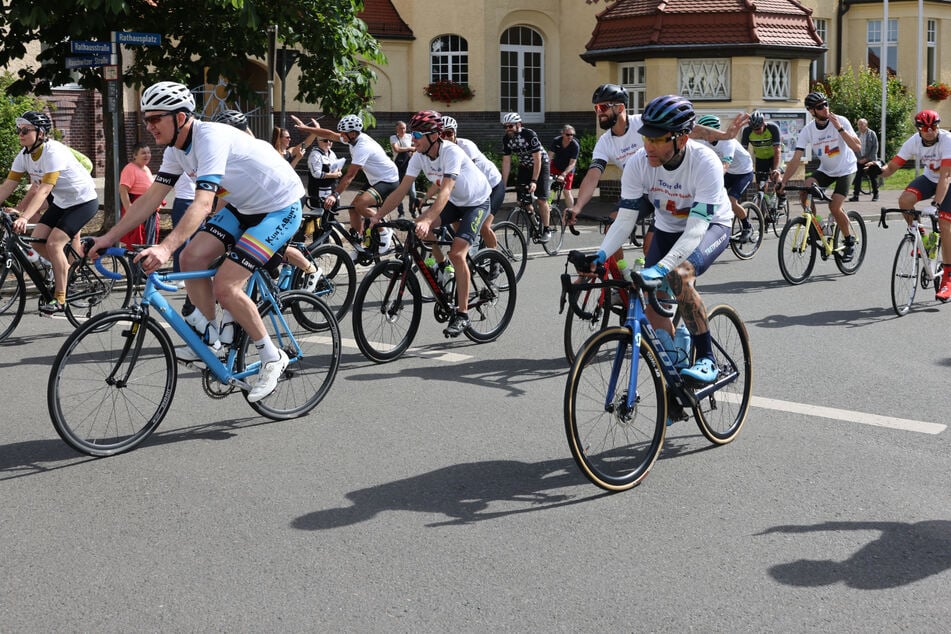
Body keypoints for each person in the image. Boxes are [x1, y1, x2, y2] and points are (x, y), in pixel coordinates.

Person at [87, 81, 305, 403]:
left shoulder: (210, 138)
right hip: (243, 207)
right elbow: (150, 200)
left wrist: (164, 247)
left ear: (180, 117)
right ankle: (215, 338)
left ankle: (272, 356)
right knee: (190, 259)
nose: (149, 127)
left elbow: (202, 204)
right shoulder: (176, 150)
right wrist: (107, 238)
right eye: (147, 119)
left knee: (226, 286)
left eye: (155, 119)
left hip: (280, 207)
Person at [593, 94, 733, 384]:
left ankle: (707, 358)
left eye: (657, 140)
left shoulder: (705, 162)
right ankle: (676, 371)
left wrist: (663, 268)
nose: (648, 147)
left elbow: (695, 230)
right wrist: (600, 256)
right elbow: (625, 221)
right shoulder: (638, 163)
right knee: (654, 303)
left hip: (711, 227)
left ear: (681, 139)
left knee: (679, 278)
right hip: (669, 228)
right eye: (646, 138)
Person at [370, 110, 492, 337]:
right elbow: (401, 191)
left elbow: (445, 190)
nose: (412, 138)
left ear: (434, 136)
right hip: (455, 201)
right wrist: (378, 216)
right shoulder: (418, 156)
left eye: (417, 133)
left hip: (476, 202)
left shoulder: (451, 152)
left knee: (458, 253)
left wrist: (427, 219)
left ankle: (463, 314)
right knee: (418, 231)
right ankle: (444, 269)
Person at [0, 110, 99, 315]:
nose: (20, 133)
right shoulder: (24, 155)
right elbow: (8, 185)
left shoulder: (54, 152)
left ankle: (60, 299)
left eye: (25, 130)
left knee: (54, 243)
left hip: (83, 201)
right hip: (63, 202)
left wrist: (24, 216)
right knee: (37, 241)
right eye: (19, 129)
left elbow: (44, 189)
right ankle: (63, 267)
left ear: (41, 133)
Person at [867, 109, 951, 300]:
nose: (930, 131)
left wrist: (936, 204)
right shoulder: (913, 141)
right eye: (925, 127)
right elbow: (893, 167)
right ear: (918, 128)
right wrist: (878, 171)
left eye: (934, 126)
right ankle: (922, 237)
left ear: (938, 126)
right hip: (930, 178)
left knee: (945, 225)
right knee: (905, 200)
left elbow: (946, 176)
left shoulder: (947, 140)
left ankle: (948, 278)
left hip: (949, 181)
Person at [295, 115, 400, 257]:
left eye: (344, 133)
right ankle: (360, 245)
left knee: (361, 205)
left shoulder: (363, 146)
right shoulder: (352, 139)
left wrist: (335, 194)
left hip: (388, 179)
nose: (341, 136)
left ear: (353, 133)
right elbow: (330, 134)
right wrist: (306, 128)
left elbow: (350, 175)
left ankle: (385, 231)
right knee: (353, 209)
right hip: (374, 179)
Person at [779, 91, 862, 262]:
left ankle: (849, 242)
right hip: (826, 170)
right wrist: (784, 181)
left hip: (846, 169)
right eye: (820, 107)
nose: (825, 108)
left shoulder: (841, 121)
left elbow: (857, 147)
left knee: (834, 207)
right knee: (805, 190)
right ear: (812, 111)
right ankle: (818, 227)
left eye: (826, 104)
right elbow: (796, 159)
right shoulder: (808, 130)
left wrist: (839, 128)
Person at [438, 114, 503, 248]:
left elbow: (468, 176)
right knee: (455, 220)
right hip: (473, 190)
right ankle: (467, 250)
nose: (445, 137)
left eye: (449, 133)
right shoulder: (441, 151)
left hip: (492, 185)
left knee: (484, 226)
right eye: (441, 134)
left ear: (455, 133)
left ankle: (496, 260)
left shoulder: (466, 146)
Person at [694, 114, 756, 242]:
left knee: (731, 200)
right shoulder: (706, 142)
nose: (702, 136)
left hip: (743, 172)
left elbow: (725, 165)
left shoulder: (727, 142)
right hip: (730, 172)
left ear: (713, 131)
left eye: (705, 132)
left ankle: (747, 226)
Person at [499, 112, 552, 242]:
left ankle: (546, 229)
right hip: (525, 166)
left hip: (541, 164)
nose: (508, 129)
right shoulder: (506, 139)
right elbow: (506, 162)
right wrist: (503, 185)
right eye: (505, 127)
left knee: (541, 200)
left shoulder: (529, 135)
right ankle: (534, 221)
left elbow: (537, 158)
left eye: (510, 126)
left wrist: (534, 181)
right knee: (522, 201)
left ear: (519, 124)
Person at [119, 143, 162, 247]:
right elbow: (123, 190)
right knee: (138, 242)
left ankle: (146, 262)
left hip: (150, 209)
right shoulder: (130, 169)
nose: (147, 155)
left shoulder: (146, 168)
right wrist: (129, 209)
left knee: (149, 241)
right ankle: (137, 263)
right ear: (135, 155)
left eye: (148, 153)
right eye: (143, 153)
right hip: (138, 208)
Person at [741, 110, 784, 183]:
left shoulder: (773, 128)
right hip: (760, 158)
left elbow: (777, 149)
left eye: (758, 128)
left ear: (763, 123)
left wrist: (775, 169)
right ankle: (762, 194)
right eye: (754, 129)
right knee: (761, 184)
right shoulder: (747, 131)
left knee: (776, 179)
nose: (756, 131)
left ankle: (781, 193)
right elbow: (743, 151)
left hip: (775, 156)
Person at [549, 124, 580, 210]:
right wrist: (545, 169)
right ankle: (548, 204)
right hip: (556, 166)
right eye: (568, 134)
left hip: (568, 169)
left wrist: (563, 174)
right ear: (562, 134)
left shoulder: (575, 145)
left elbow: (572, 163)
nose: (570, 137)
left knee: (566, 191)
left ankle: (571, 212)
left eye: (572, 135)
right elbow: (549, 157)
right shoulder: (556, 141)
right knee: (551, 188)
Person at [849, 118, 879, 202]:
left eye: (862, 124)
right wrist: (858, 159)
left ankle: (876, 194)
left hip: (870, 159)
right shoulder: (856, 134)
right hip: (859, 159)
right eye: (859, 124)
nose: (860, 126)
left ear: (866, 125)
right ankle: (856, 195)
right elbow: (852, 147)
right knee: (857, 177)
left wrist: (868, 158)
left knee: (873, 177)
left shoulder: (872, 134)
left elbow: (875, 147)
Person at [389, 121, 414, 216]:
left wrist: (412, 150)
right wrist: (410, 148)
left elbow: (415, 148)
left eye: (404, 128)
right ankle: (401, 212)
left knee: (413, 193)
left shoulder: (409, 136)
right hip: (398, 167)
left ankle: (412, 210)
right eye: (401, 128)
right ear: (396, 129)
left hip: (409, 166)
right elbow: (397, 149)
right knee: (399, 191)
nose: (403, 130)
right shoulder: (393, 138)